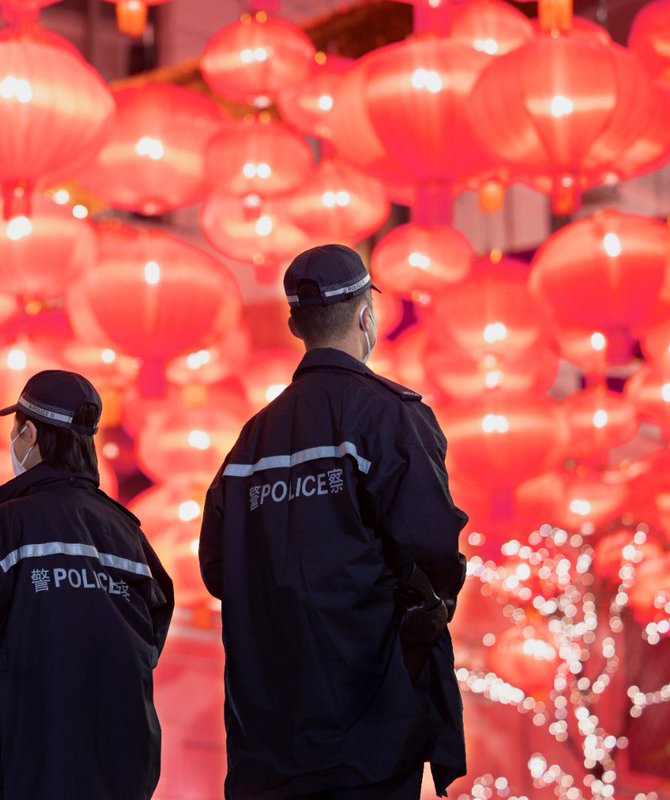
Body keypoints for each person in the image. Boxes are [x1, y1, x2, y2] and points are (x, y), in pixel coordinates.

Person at [199, 244, 468, 800]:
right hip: (368, 733)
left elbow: (217, 569)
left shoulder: (251, 441)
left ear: (295, 323)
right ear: (368, 315)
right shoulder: (389, 416)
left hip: (266, 738)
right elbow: (433, 553)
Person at [0, 370, 174, 800]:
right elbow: (150, 642)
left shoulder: (5, 524)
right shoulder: (129, 536)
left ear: (28, 433)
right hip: (118, 772)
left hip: (20, 770)